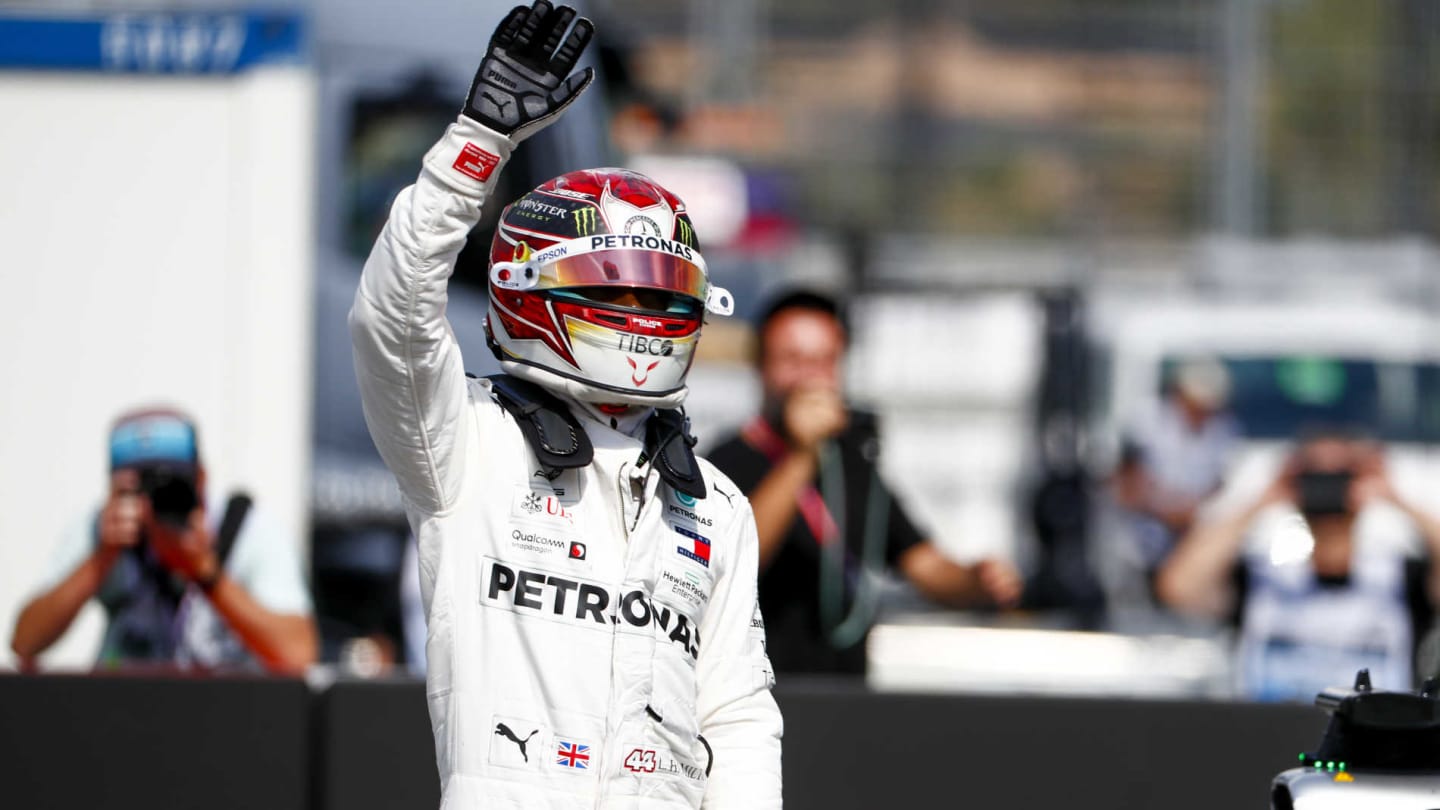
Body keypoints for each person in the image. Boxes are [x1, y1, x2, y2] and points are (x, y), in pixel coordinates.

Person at [347, 3, 781, 807]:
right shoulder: (465, 445)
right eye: (618, 292)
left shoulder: (716, 502)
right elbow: (393, 316)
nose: (646, 319)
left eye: (663, 296)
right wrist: (478, 141)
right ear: (527, 290)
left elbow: (739, 716)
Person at [705, 290, 1023, 675]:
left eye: (823, 361)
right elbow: (734, 561)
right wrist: (801, 455)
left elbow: (923, 564)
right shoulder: (724, 462)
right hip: (756, 692)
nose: (808, 377)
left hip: (844, 691)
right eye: (792, 359)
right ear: (760, 366)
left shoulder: (849, 462)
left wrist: (976, 581)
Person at [10, 408, 317, 673]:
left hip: (223, 712)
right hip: (125, 709)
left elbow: (297, 653)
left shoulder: (246, 531)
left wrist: (206, 574)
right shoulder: (102, 531)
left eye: (170, 485)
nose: (153, 504)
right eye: (137, 489)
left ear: (201, 478)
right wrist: (102, 558)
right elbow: (25, 642)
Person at [1156, 430, 1440, 701]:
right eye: (1314, 474)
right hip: (1273, 735)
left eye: (1341, 474)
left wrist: (1395, 497)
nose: (1329, 485)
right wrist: (1263, 500)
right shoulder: (1263, 577)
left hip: (1372, 744)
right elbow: (1178, 587)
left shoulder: (1399, 578)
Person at [1110, 356, 1240, 596]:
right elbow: (1126, 483)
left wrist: (1198, 513)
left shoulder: (1223, 428)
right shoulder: (1146, 420)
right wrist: (1171, 509)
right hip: (1139, 543)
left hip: (1191, 540)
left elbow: (1222, 482)